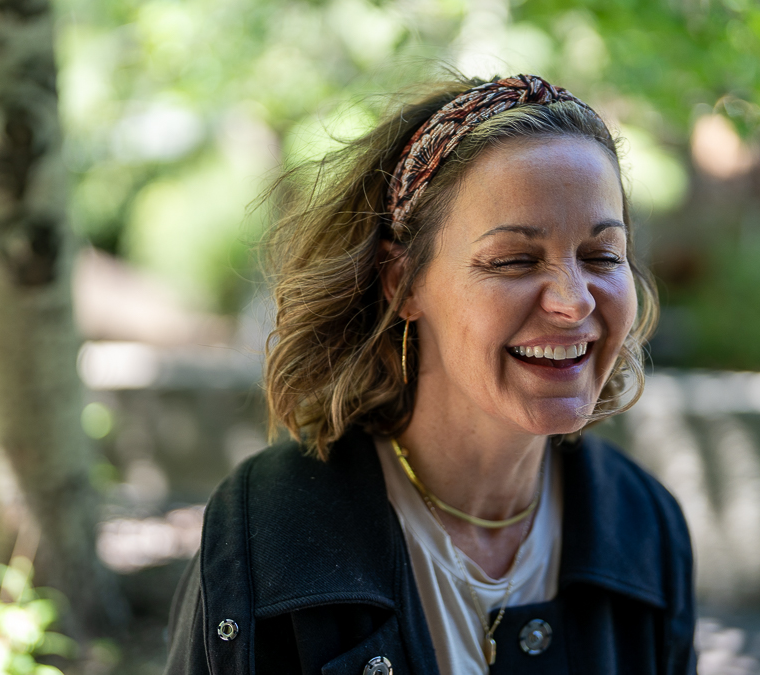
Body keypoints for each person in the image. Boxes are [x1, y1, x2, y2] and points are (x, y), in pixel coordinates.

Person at [165, 74, 695, 674]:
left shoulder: (644, 524)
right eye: (514, 260)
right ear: (403, 284)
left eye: (603, 256)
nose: (574, 302)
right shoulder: (266, 530)